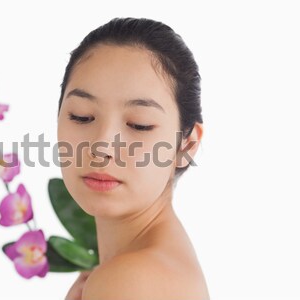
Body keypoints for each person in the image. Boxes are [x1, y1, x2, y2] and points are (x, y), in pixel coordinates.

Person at [57, 17, 209, 299]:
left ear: (186, 145)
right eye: (81, 116)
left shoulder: (130, 280)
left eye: (139, 125)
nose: (102, 146)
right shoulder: (158, 266)